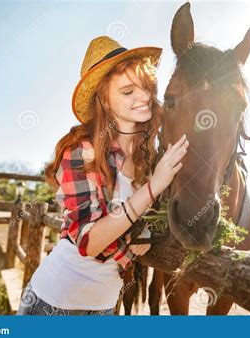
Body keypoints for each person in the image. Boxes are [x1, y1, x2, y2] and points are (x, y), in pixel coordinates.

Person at [17, 36, 189, 315]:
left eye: (145, 88)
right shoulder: (80, 151)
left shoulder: (148, 158)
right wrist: (153, 188)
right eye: (127, 91)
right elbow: (89, 242)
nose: (143, 97)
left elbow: (146, 218)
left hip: (105, 307)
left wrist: (141, 229)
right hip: (54, 305)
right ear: (105, 101)